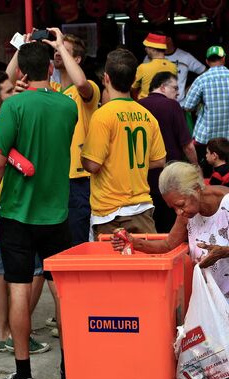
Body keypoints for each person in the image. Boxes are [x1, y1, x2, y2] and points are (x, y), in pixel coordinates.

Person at [0, 41, 77, 379]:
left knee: (19, 289)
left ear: (21, 74)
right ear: (51, 70)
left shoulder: (13, 106)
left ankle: (23, 375)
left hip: (17, 214)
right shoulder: (68, 106)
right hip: (57, 215)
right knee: (61, 293)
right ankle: (69, 369)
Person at [111, 161, 229, 368]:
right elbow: (168, 244)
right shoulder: (188, 213)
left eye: (181, 204)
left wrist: (225, 252)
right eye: (173, 207)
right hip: (220, 302)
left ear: (197, 189)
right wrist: (134, 242)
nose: (178, 212)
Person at [0, 71, 50, 354]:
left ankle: (4, 332)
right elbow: (21, 165)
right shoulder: (9, 125)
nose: (16, 96)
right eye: (10, 92)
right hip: (12, 209)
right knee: (37, 270)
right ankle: (20, 333)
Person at [81, 48, 166, 237]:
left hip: (110, 214)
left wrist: (82, 156)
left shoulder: (103, 115)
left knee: (112, 266)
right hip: (143, 209)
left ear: (106, 78)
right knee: (143, 266)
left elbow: (93, 165)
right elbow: (160, 160)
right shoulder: (147, 116)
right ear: (134, 79)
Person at [46, 28, 101, 246]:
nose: (57, 52)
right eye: (56, 49)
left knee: (78, 241)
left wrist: (59, 46)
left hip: (78, 179)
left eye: (64, 50)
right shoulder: (54, 90)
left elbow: (80, 83)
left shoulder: (89, 88)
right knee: (59, 243)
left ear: (76, 58)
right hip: (55, 177)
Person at [139, 71, 199, 232]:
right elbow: (187, 145)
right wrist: (196, 166)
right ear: (163, 87)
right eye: (174, 88)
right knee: (170, 228)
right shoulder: (172, 105)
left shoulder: (137, 105)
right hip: (170, 177)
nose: (178, 92)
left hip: (143, 178)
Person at [183, 46, 229, 149]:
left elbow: (187, 106)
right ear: (224, 58)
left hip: (207, 139)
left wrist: (201, 105)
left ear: (207, 61)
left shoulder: (201, 80)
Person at [144, 35, 205, 105]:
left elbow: (205, 72)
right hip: (156, 103)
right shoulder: (149, 57)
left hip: (179, 104)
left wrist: (191, 88)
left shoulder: (185, 56)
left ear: (169, 39)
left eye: (160, 37)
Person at [132, 32, 177, 100]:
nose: (145, 49)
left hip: (146, 105)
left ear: (153, 49)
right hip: (165, 104)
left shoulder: (143, 68)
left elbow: (133, 88)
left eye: (147, 47)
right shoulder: (173, 67)